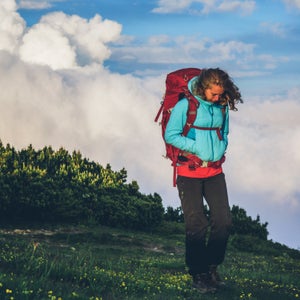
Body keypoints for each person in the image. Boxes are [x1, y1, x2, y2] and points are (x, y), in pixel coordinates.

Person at [164, 68, 242, 293]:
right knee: (196, 224)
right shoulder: (185, 106)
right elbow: (171, 135)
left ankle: (211, 267)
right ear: (203, 88)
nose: (218, 98)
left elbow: (224, 132)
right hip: (189, 172)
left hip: (215, 172)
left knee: (223, 222)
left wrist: (220, 148)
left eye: (221, 94)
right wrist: (197, 148)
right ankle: (198, 274)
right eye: (214, 94)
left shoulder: (221, 106)